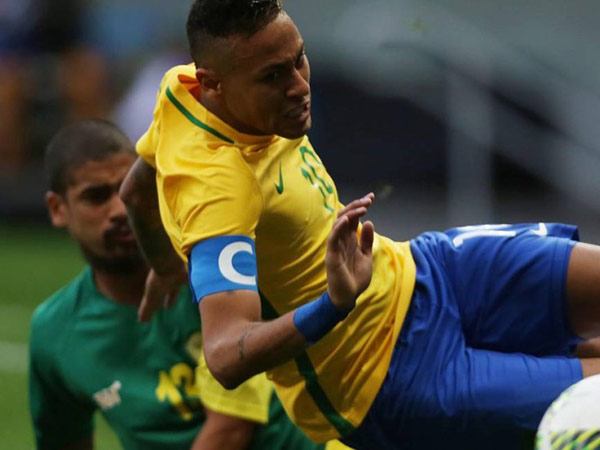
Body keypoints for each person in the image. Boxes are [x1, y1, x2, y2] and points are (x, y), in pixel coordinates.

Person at [119, 1, 600, 449]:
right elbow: (225, 354)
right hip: (382, 378)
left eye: (299, 59)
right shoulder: (219, 192)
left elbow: (137, 189)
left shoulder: (181, 89)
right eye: (272, 77)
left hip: (424, 271)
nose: (299, 86)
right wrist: (332, 305)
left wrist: (164, 264)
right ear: (215, 84)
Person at [29, 119, 331, 450]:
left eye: (125, 189)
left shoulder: (217, 272)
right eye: (96, 197)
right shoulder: (55, 333)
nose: (118, 210)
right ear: (58, 209)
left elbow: (232, 430)